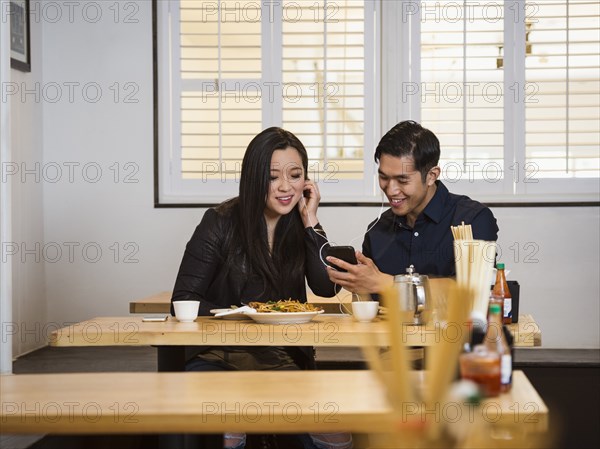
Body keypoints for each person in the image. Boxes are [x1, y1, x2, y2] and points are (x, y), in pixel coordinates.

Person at [171, 127, 352, 449]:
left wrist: (311, 221)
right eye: (273, 177)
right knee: (228, 430)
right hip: (217, 356)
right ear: (255, 178)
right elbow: (182, 301)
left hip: (280, 357)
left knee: (336, 434)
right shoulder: (220, 221)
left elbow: (326, 288)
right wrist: (246, 314)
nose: (286, 187)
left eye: (295, 175)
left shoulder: (300, 223)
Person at [326, 120, 499, 294]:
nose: (391, 190)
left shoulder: (473, 220)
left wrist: (387, 284)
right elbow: (368, 304)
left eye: (402, 180)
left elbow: (474, 289)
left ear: (431, 176)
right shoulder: (377, 230)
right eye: (384, 177)